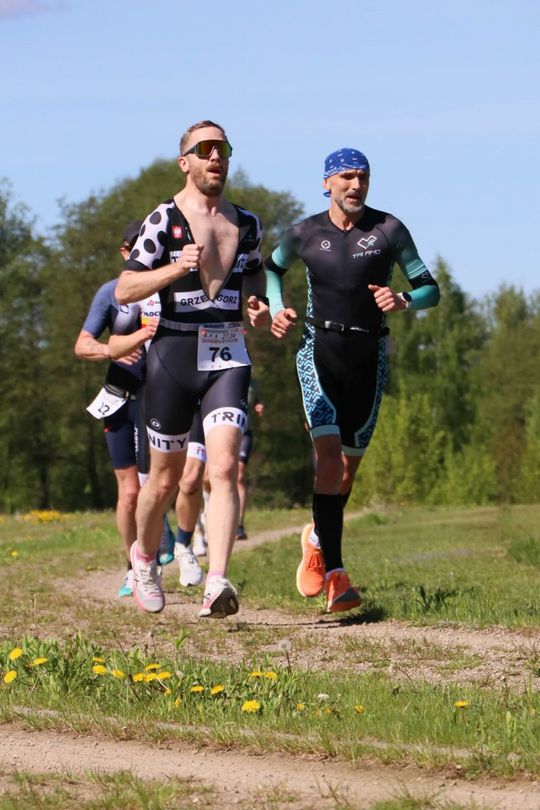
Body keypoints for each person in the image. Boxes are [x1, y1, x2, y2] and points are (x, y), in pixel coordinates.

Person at [264, 148, 440, 614]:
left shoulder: (389, 230)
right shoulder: (304, 233)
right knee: (326, 458)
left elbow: (431, 289)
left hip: (369, 357)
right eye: (346, 177)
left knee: (346, 471)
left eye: (363, 177)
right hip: (317, 353)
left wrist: (404, 300)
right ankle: (337, 575)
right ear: (327, 183)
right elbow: (272, 268)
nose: (355, 185)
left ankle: (316, 540)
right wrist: (278, 307)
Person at [115, 120, 269, 618]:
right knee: (163, 480)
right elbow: (125, 289)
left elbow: (256, 279)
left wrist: (260, 307)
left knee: (223, 468)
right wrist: (175, 268)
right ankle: (143, 560)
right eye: (204, 149)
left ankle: (217, 581)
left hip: (227, 353)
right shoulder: (163, 220)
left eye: (222, 148)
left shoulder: (248, 224)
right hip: (173, 354)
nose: (215, 156)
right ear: (185, 162)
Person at [74, 221, 157, 598]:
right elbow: (82, 345)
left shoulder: (172, 287)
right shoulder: (110, 293)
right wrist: (112, 349)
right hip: (120, 397)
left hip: (163, 397)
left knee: (163, 483)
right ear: (125, 252)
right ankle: (132, 566)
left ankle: (171, 545)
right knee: (129, 491)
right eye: (137, 247)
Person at [236, 379, 265, 540]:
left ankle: (239, 524)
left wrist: (258, 406)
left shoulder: (252, 383)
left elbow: (256, 401)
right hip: (224, 432)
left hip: (245, 432)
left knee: (239, 474)